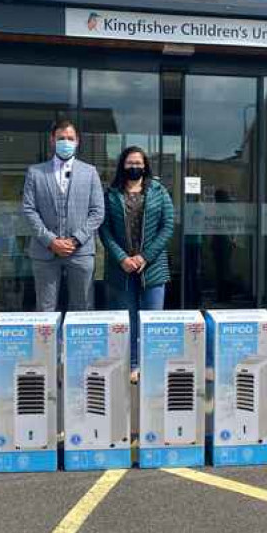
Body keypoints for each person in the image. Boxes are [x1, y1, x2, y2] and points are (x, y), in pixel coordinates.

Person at [99, 147, 175, 378]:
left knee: (152, 321)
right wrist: (122, 258)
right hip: (121, 268)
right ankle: (132, 364)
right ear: (122, 165)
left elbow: (168, 225)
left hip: (152, 268)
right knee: (127, 320)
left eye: (138, 163)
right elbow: (104, 229)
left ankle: (151, 367)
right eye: (130, 163)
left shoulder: (159, 191)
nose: (135, 167)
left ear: (145, 166)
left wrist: (145, 257)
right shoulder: (111, 194)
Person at [22, 120, 105, 312]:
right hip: (44, 251)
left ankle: (79, 343)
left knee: (83, 306)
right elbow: (28, 209)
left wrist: (75, 240)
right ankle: (47, 343)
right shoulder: (35, 172)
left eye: (70, 138)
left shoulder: (90, 172)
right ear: (52, 140)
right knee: (45, 307)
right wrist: (51, 241)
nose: (65, 142)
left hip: (81, 251)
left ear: (77, 141)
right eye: (61, 138)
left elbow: (97, 211)